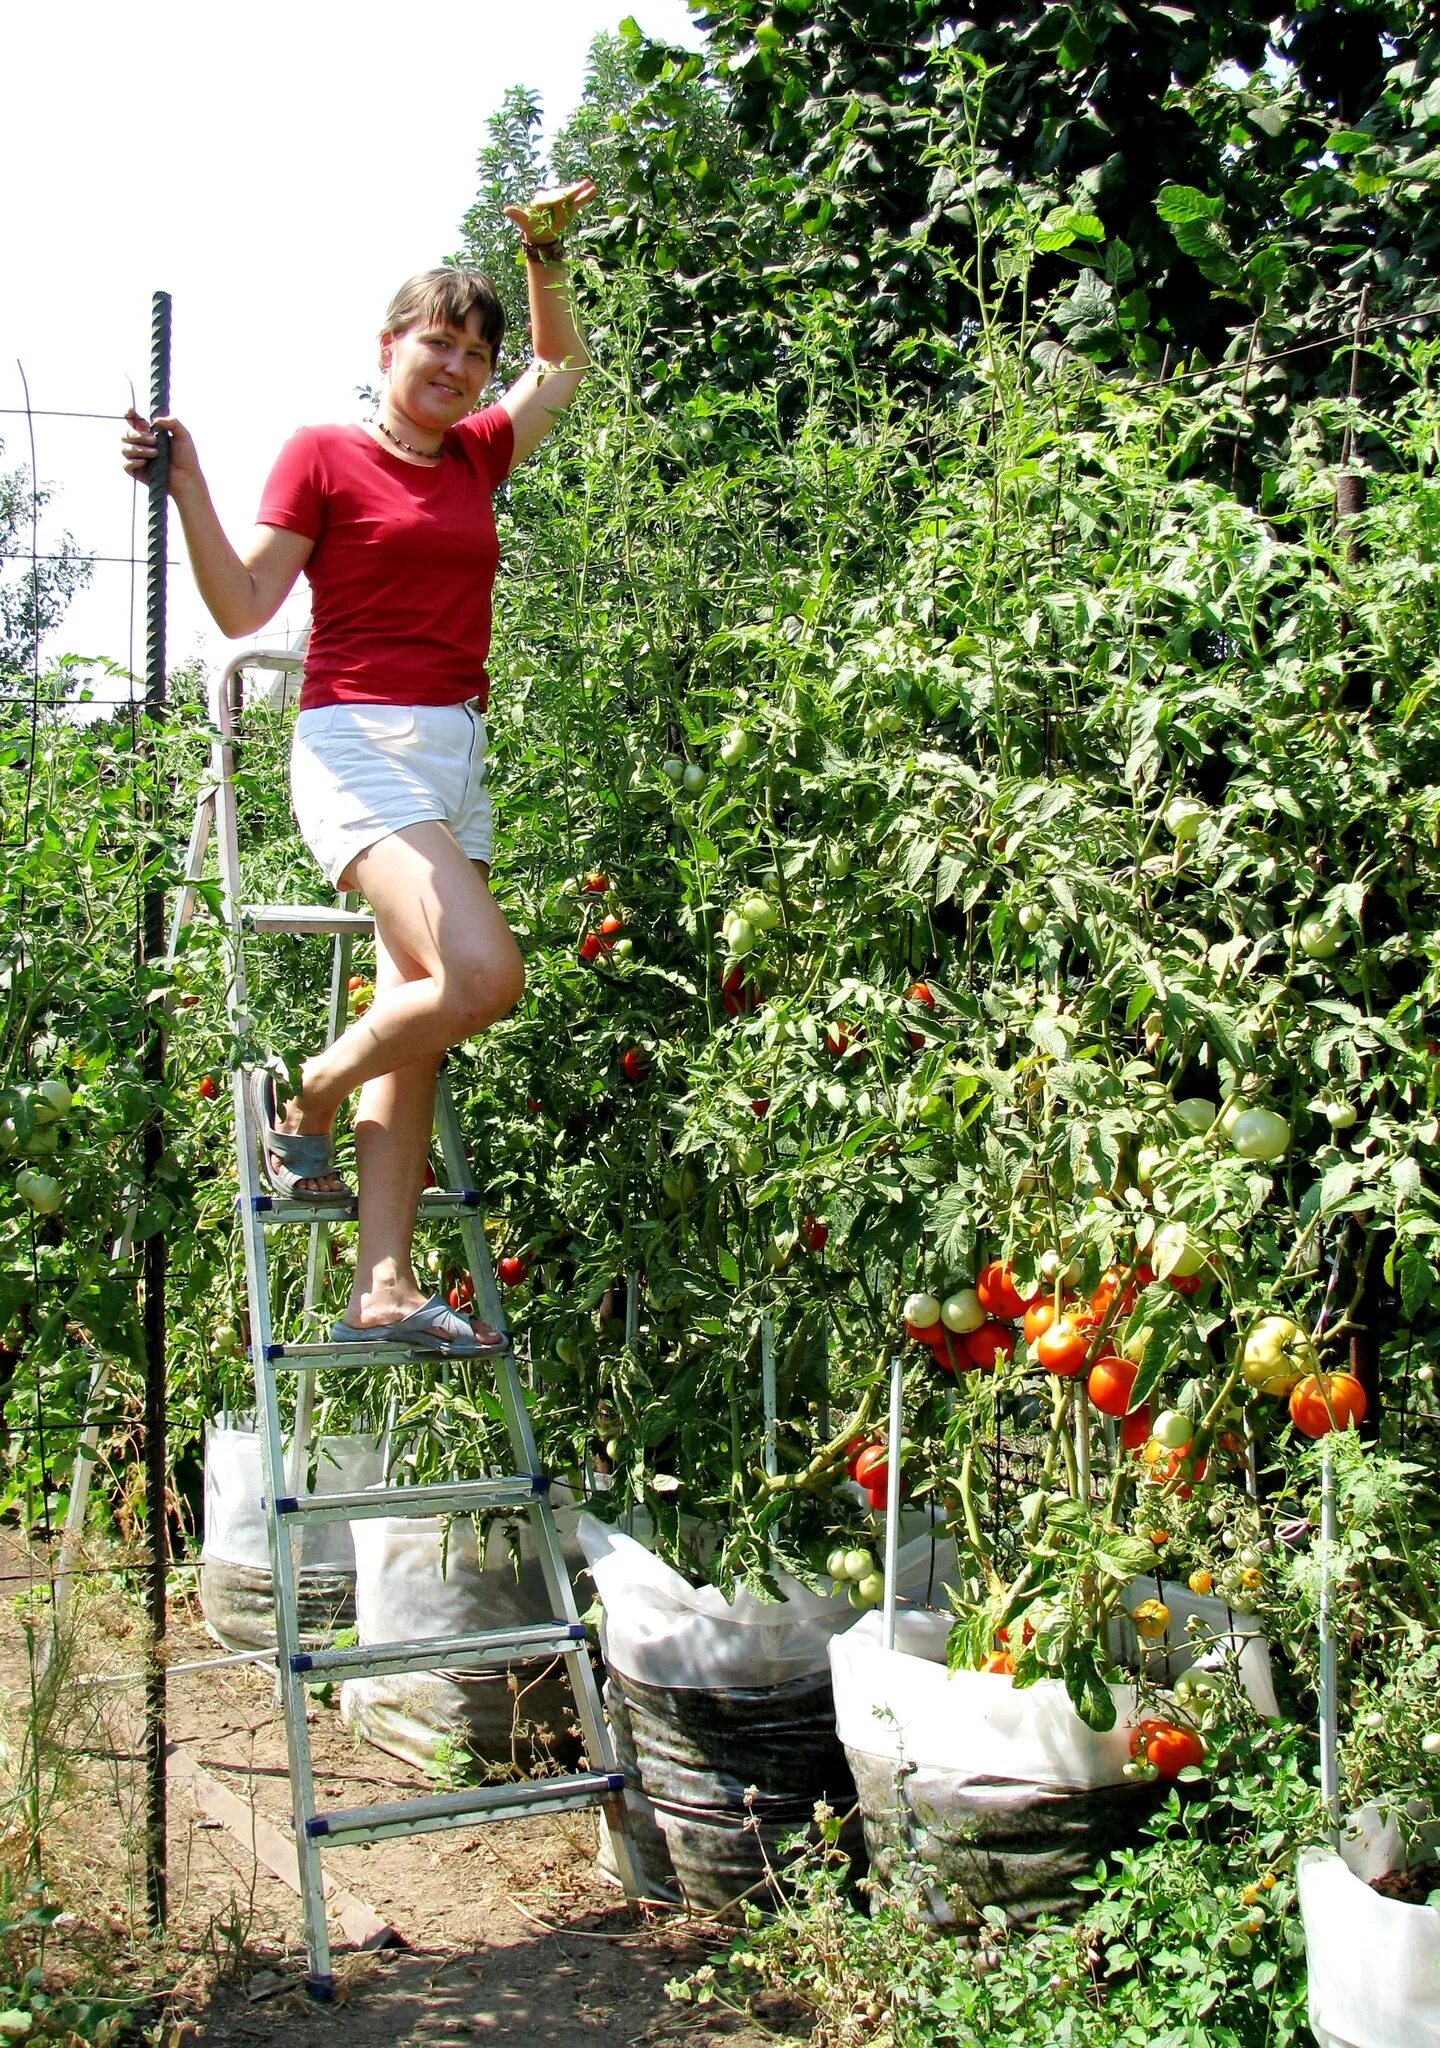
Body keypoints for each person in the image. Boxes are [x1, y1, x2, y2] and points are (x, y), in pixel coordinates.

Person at [121, 181, 597, 1353]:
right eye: (438, 339)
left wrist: (541, 251)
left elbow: (565, 367)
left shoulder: (478, 457)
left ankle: (381, 1285)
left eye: (476, 352)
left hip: (455, 754)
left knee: (422, 1013)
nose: (460, 366)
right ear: (388, 346)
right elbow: (242, 602)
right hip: (355, 745)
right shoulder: (324, 454)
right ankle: (311, 1094)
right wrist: (188, 482)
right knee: (484, 977)